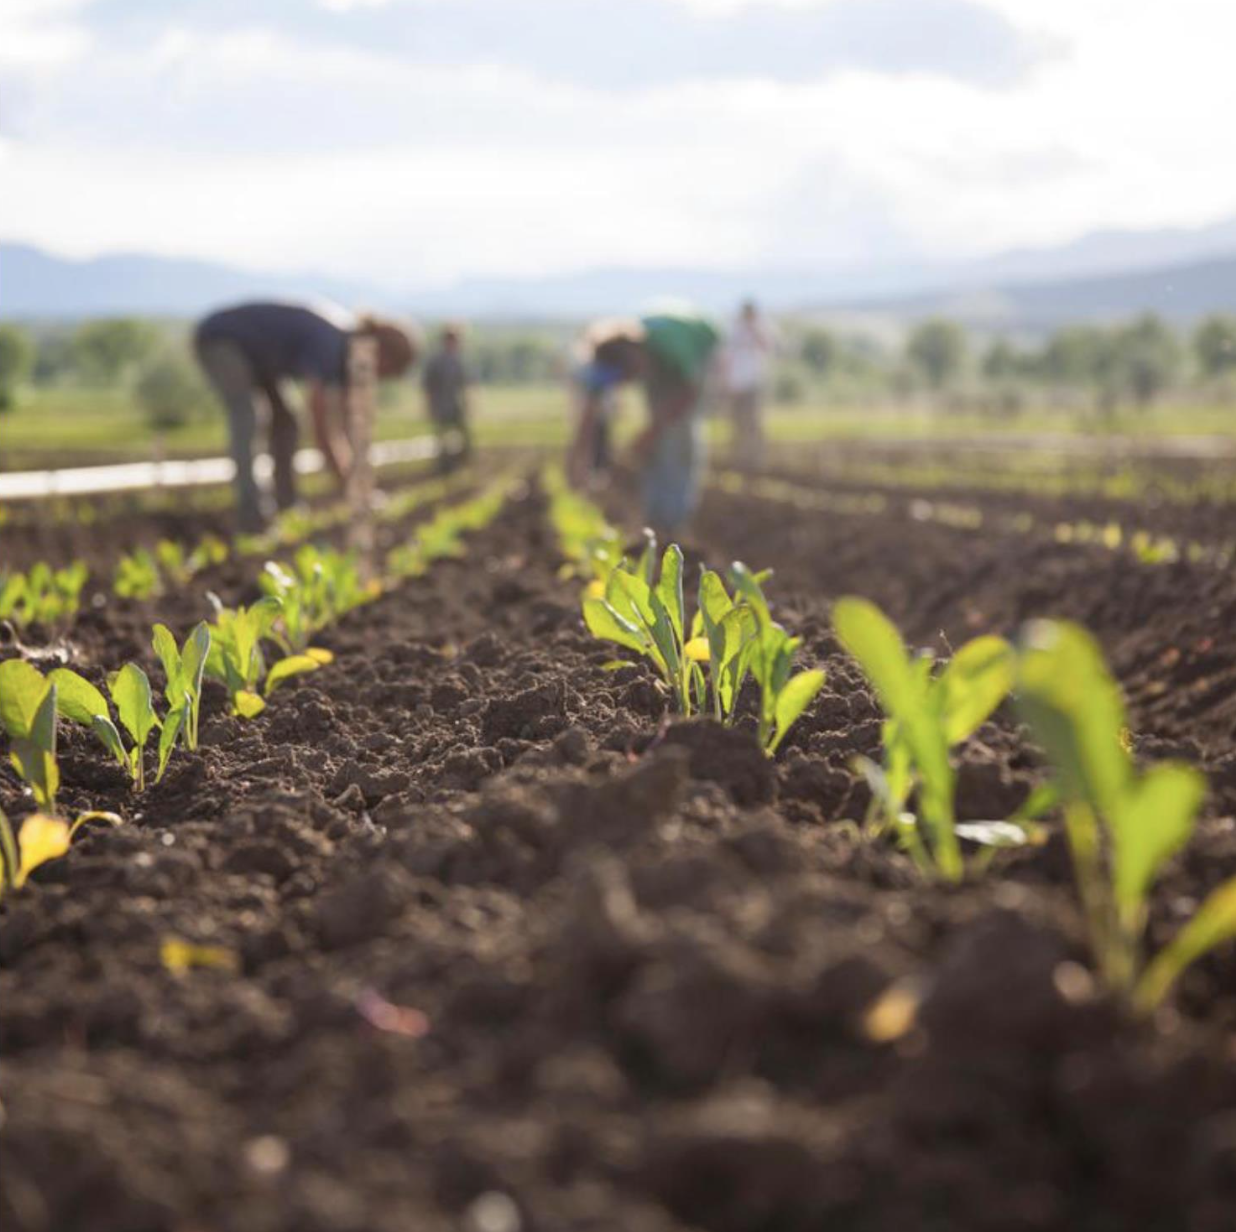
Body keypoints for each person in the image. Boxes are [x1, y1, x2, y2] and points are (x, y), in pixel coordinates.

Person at [194, 300, 417, 531]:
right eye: (385, 372)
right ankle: (252, 516)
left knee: (287, 421)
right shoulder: (331, 346)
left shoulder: (346, 353)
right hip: (223, 340)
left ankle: (287, 507)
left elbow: (347, 423)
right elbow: (322, 430)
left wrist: (360, 483)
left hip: (262, 357)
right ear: (379, 353)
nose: (376, 379)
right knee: (248, 416)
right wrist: (353, 489)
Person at [569, 308, 720, 535]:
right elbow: (588, 417)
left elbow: (688, 393)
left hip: (698, 347)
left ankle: (675, 520)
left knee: (679, 435)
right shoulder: (607, 361)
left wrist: (650, 433)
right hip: (657, 352)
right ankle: (654, 517)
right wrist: (578, 463)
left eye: (627, 377)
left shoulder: (672, 349)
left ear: (637, 359)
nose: (626, 384)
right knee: (657, 431)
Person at [724, 298, 775, 471]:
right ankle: (739, 458)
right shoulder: (734, 329)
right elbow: (726, 357)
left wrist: (754, 329)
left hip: (753, 382)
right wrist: (726, 382)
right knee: (738, 422)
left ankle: (756, 460)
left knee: (753, 422)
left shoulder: (760, 328)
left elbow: (767, 346)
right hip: (736, 384)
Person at [421, 323, 473, 473]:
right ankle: (444, 464)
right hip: (441, 405)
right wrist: (429, 405)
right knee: (442, 437)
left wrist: (467, 403)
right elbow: (428, 386)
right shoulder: (437, 361)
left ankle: (462, 462)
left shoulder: (458, 361)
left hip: (455, 405)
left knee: (463, 435)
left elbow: (465, 385)